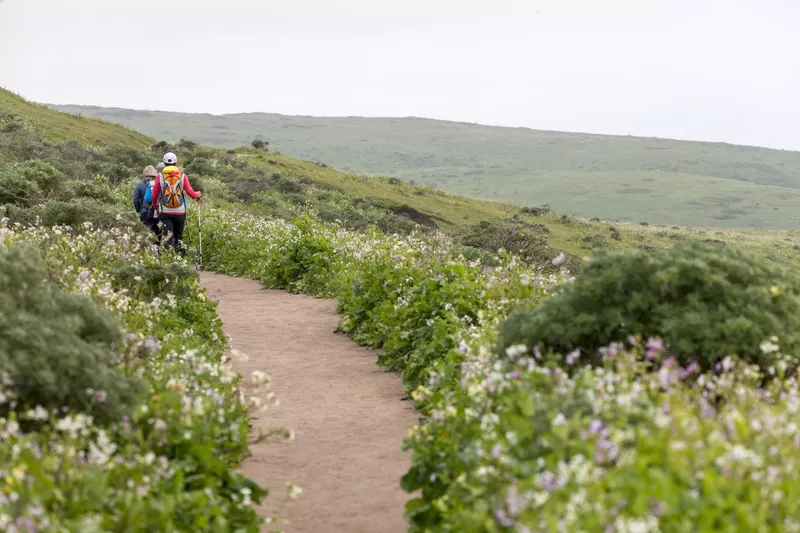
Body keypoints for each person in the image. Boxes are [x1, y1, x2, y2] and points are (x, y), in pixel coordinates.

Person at [151, 152, 201, 256]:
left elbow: (154, 194)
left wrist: (156, 206)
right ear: (176, 163)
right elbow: (190, 192)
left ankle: (168, 261)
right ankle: (180, 259)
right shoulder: (183, 176)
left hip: (165, 212)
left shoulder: (160, 176)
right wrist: (198, 195)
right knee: (179, 236)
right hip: (180, 212)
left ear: (164, 163)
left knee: (168, 237)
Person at [141, 172, 162, 244]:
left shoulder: (151, 185)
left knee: (150, 230)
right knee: (158, 231)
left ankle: (152, 247)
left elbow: (147, 199)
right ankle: (157, 248)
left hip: (149, 211)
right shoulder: (165, 184)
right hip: (161, 212)